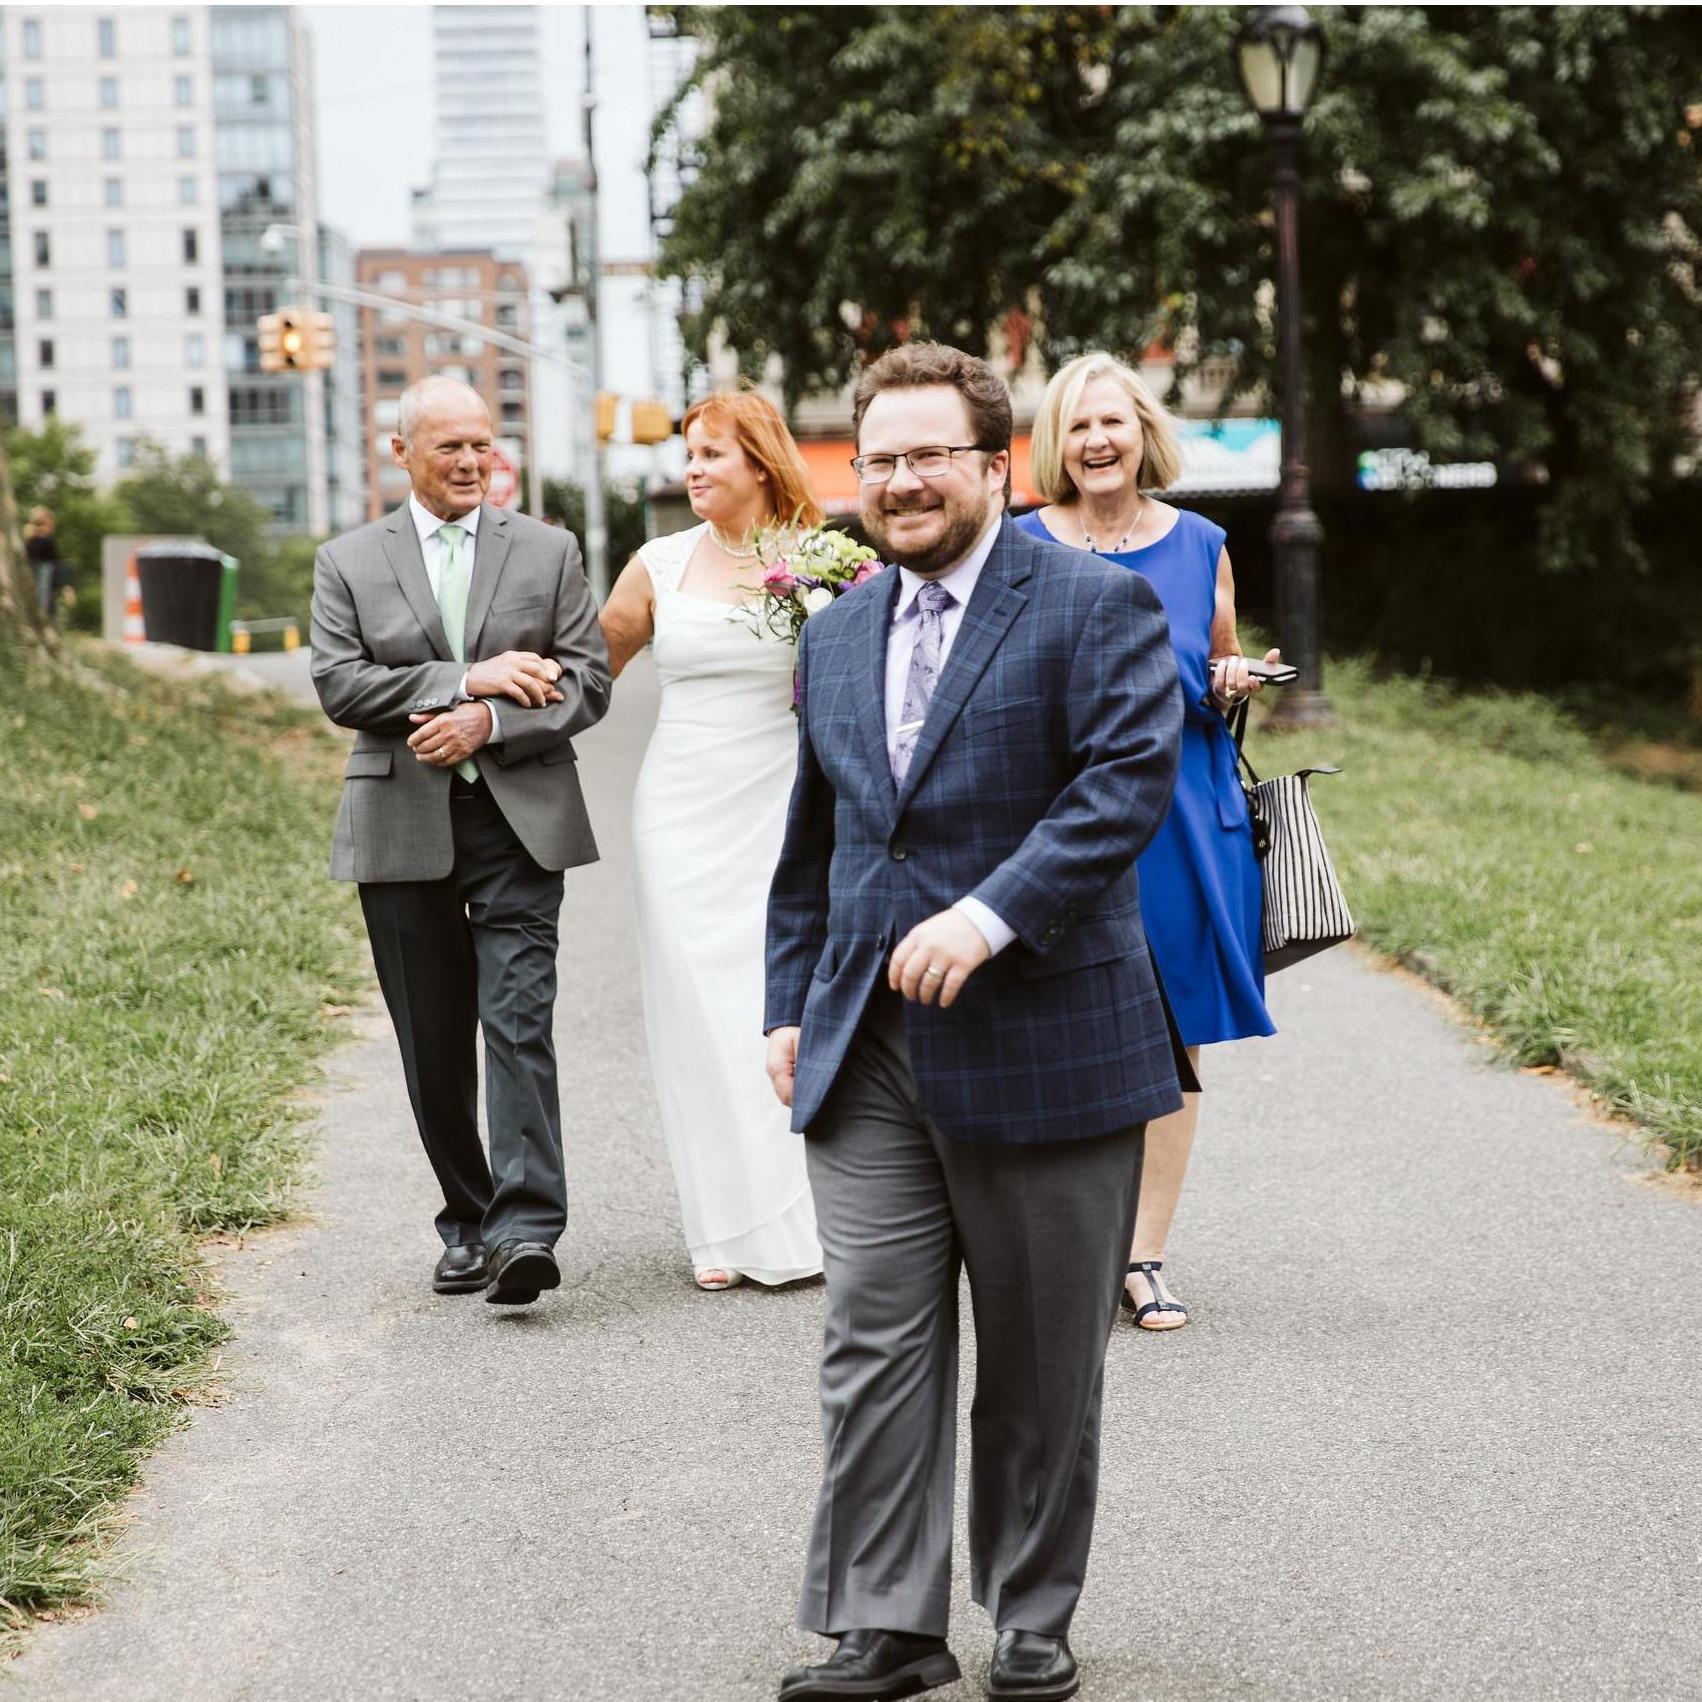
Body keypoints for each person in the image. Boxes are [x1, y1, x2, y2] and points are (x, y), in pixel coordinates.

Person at [765, 343, 1184, 1702]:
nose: (896, 480)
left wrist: (990, 914)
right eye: (875, 457)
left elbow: (1122, 785)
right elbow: (812, 843)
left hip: (1045, 1033)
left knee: (1038, 1352)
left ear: (992, 463)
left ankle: (1028, 1610)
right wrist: (786, 1004)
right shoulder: (833, 630)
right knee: (872, 1340)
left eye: (925, 454)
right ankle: (885, 1623)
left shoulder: (1089, 602)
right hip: (866, 1050)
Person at [310, 376, 612, 1306]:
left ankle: (525, 1229)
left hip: (518, 819)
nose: (474, 463)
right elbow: (339, 685)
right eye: (451, 448)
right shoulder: (348, 559)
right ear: (400, 452)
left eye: (484, 443)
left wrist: (489, 724)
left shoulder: (551, 550)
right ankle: (468, 1219)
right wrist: (465, 679)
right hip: (400, 820)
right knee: (432, 1042)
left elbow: (587, 682)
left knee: (518, 1022)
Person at [1018, 351, 1279, 1331]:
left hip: (1178, 815)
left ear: (1141, 433)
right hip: (1052, 815)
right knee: (1056, 1031)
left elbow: (1214, 660)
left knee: (1170, 1039)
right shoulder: (1020, 546)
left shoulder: (1201, 539)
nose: (1096, 441)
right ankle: (1060, 1246)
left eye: (1112, 423)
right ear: (1058, 441)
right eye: (1079, 426)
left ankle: (1143, 1255)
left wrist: (1231, 680)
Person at [600, 390, 825, 1292]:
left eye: (711, 454)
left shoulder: (825, 562)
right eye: (688, 455)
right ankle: (721, 1227)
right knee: (700, 1013)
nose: (692, 469)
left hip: (786, 811)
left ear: (761, 464)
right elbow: (583, 676)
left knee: (781, 1008)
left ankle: (806, 1215)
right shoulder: (655, 565)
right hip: (682, 814)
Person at [25, 507, 61, 625]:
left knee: (46, 595)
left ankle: (45, 616)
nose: (40, 528)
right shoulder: (31, 540)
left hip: (47, 571)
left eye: (43, 524)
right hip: (33, 570)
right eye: (37, 524)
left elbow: (54, 558)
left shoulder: (47, 540)